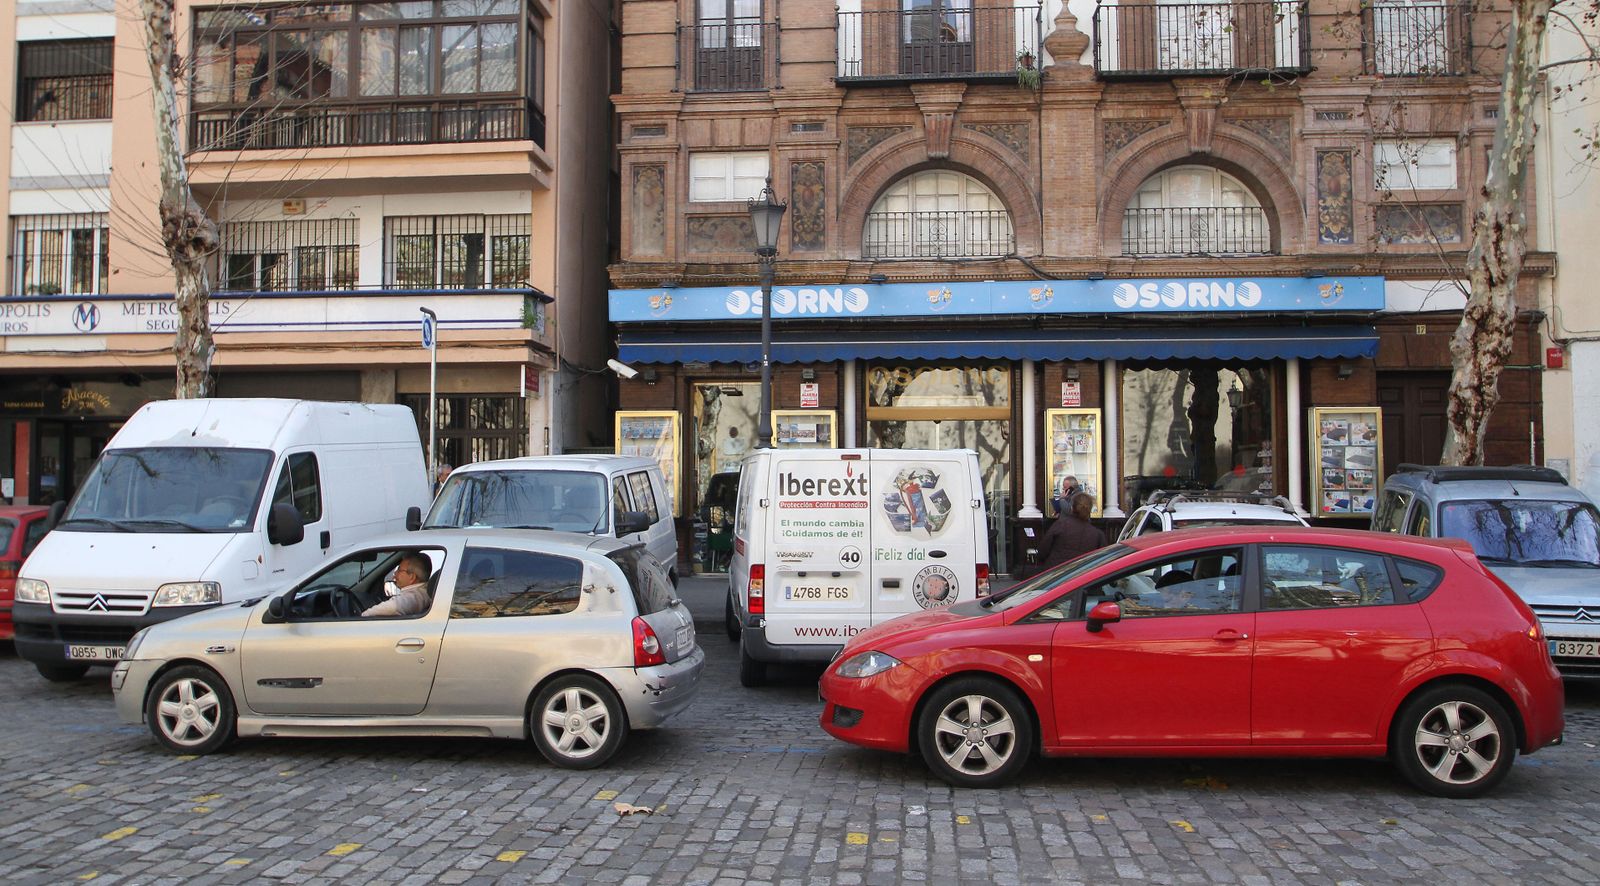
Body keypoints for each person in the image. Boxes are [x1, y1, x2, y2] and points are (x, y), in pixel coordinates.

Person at [1036, 492, 1106, 572]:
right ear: (1090, 509)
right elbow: (1102, 560)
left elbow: (1043, 549)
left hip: (1055, 574)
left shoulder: (1060, 525)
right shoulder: (1097, 534)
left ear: (1072, 507)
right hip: (1081, 577)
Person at [363, 552, 432, 617]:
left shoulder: (415, 596)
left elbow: (393, 607)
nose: (395, 574)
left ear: (412, 577)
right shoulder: (424, 592)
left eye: (399, 570)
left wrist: (363, 616)